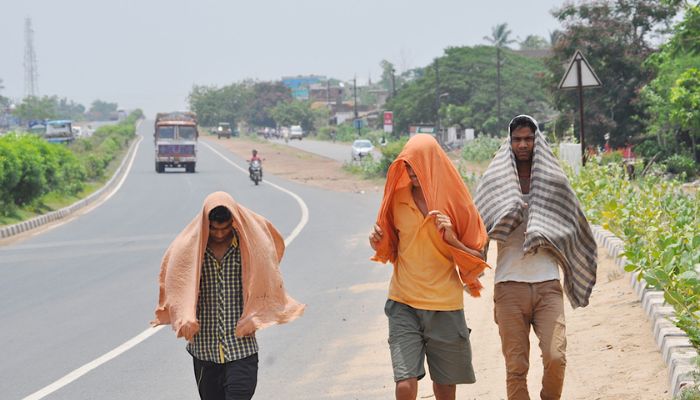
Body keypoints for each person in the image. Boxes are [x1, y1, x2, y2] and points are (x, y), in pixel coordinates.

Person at [474, 115, 597, 400]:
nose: (523, 144)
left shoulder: (554, 181)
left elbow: (573, 223)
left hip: (547, 284)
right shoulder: (495, 181)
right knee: (516, 367)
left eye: (528, 138)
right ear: (510, 142)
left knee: (556, 356)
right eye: (517, 139)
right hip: (508, 286)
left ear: (536, 140)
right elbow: (476, 223)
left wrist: (545, 230)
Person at [369, 134, 490, 400]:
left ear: (433, 164)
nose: (412, 173)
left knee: (445, 389)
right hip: (403, 303)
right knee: (404, 384)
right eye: (408, 166)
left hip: (445, 306)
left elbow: (478, 260)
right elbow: (386, 245)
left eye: (417, 166)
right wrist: (375, 240)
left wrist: (453, 239)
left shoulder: (458, 203)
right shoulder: (397, 199)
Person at [152, 191, 305, 400]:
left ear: (234, 221)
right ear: (207, 225)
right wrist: (183, 315)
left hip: (241, 346)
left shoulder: (249, 248)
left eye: (225, 228)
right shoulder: (190, 251)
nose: (220, 234)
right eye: (214, 229)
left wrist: (257, 314)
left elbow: (268, 274)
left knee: (239, 395)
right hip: (204, 349)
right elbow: (174, 280)